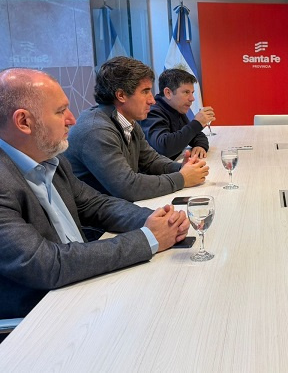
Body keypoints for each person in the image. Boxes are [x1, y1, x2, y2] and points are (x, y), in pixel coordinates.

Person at [0, 68, 190, 320]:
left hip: (84, 285)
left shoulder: (51, 159)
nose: (71, 119)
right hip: (43, 317)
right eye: (60, 111)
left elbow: (97, 205)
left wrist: (156, 219)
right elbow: (44, 264)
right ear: (24, 122)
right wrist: (148, 238)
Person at [65, 57, 209, 202]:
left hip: (116, 207)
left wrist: (181, 168)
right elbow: (128, 187)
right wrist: (182, 178)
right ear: (121, 95)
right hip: (98, 214)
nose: (152, 100)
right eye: (145, 91)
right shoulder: (96, 130)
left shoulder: (128, 121)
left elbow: (150, 161)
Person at [140, 68, 215, 161]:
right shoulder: (152, 112)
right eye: (186, 92)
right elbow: (164, 147)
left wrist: (200, 145)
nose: (192, 98)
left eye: (192, 93)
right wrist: (197, 123)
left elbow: (196, 135)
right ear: (168, 93)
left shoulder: (176, 108)